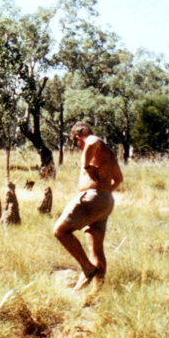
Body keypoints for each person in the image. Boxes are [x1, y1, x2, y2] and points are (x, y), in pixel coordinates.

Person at [53, 121, 123, 293]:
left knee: (60, 231)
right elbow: (119, 179)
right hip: (106, 201)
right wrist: (103, 194)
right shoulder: (109, 153)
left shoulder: (92, 142)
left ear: (78, 138)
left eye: (76, 143)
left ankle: (87, 268)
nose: (79, 147)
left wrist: (85, 166)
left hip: (92, 198)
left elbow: (91, 141)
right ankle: (96, 293)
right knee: (96, 250)